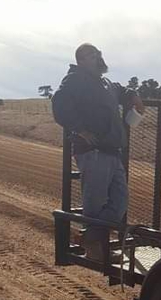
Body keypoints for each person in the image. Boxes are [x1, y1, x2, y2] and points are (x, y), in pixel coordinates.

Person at [52, 43, 144, 262]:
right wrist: (80, 129)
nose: (98, 58)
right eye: (93, 55)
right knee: (94, 203)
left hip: (112, 151)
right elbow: (59, 103)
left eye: (99, 54)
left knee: (120, 201)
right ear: (82, 59)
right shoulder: (75, 80)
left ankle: (90, 238)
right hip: (93, 151)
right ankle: (95, 250)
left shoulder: (105, 83)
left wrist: (135, 96)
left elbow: (123, 91)